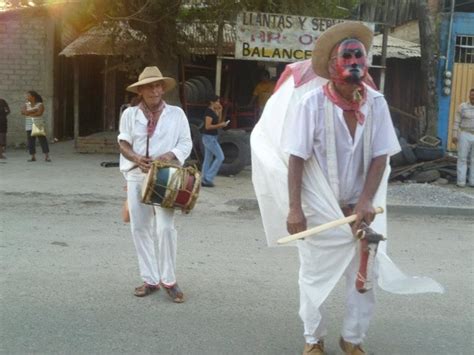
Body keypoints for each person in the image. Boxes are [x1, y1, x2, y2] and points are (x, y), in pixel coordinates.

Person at [251, 21, 443, 355]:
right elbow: (296, 159)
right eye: (348, 55)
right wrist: (294, 208)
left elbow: (381, 157)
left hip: (361, 207)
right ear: (331, 67)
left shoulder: (377, 103)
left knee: (364, 276)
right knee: (314, 277)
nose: (355, 61)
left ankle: (352, 339)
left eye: (360, 55)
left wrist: (365, 200)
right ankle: (314, 339)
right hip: (318, 206)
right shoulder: (309, 104)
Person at [117, 66, 192, 303]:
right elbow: (123, 143)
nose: (155, 90)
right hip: (136, 175)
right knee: (139, 228)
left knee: (166, 229)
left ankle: (169, 280)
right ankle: (150, 279)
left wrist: (168, 156)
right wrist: (136, 158)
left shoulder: (177, 114)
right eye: (150, 86)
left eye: (158, 85)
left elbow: (186, 143)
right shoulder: (129, 114)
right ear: (140, 90)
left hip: (165, 177)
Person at [201, 93, 228, 187]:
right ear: (212, 102)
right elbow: (207, 126)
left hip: (212, 137)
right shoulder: (208, 112)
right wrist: (220, 126)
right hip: (209, 137)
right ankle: (208, 178)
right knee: (221, 157)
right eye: (217, 101)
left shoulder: (214, 111)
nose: (218, 103)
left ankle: (204, 179)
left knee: (208, 158)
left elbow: (218, 121)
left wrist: (220, 111)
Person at [20, 90, 51, 162]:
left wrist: (28, 113)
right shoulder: (26, 104)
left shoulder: (40, 104)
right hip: (28, 125)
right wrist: (33, 111)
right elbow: (22, 112)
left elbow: (39, 113)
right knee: (30, 141)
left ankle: (47, 156)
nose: (26, 97)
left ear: (33, 97)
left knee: (42, 140)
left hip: (37, 124)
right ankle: (33, 157)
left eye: (28, 95)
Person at [452, 88, 474, 187]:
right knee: (462, 158)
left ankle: (472, 182)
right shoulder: (462, 107)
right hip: (465, 134)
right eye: (472, 95)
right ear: (469, 96)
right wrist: (454, 135)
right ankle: (461, 182)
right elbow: (456, 122)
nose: (473, 97)